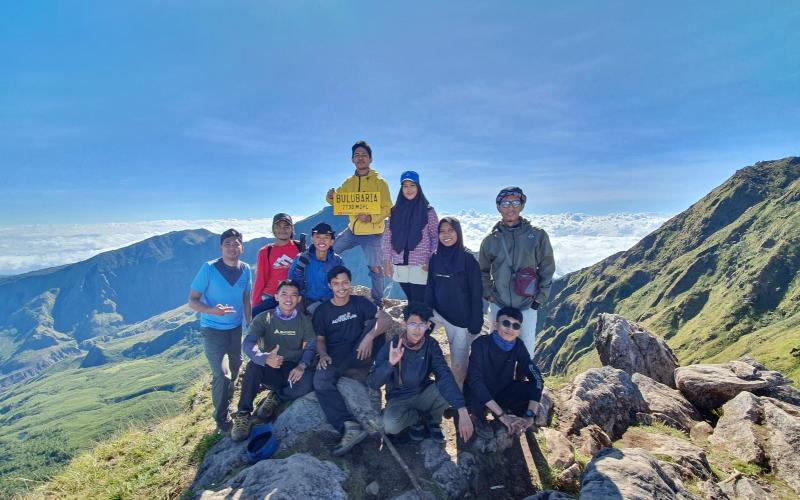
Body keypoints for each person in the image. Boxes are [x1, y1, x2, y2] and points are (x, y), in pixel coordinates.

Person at [312, 265, 391, 456]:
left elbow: (386, 319)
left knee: (377, 326)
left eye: (345, 282)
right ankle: (348, 425)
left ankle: (377, 386)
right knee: (320, 381)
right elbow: (320, 339)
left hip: (361, 351)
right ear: (330, 286)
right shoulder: (323, 311)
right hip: (337, 357)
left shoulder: (359, 302)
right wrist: (322, 355)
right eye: (336, 283)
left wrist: (369, 337)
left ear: (350, 283)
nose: (341, 287)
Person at [368, 302, 474, 443]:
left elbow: (443, 374)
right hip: (399, 398)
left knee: (448, 384)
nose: (417, 329)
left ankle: (433, 420)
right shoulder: (392, 346)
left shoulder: (431, 345)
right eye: (412, 324)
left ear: (428, 326)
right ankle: (416, 418)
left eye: (421, 325)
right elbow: (373, 383)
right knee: (390, 426)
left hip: (424, 393)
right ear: (404, 325)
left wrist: (461, 409)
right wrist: (390, 364)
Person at [231, 279, 316, 441]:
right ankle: (243, 414)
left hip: (291, 369)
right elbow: (249, 343)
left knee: (310, 382)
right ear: (276, 297)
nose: (288, 299)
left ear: (299, 299)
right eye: (284, 294)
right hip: (269, 367)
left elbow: (310, 347)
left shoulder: (304, 322)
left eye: (293, 295)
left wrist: (302, 366)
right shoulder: (264, 318)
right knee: (253, 366)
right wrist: (263, 357)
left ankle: (277, 396)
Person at [188, 228, 252, 433]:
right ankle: (221, 418)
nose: (232, 247)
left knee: (234, 372)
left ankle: (226, 403)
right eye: (228, 244)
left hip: (235, 330)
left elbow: (246, 298)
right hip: (213, 330)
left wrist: (250, 323)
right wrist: (211, 311)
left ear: (242, 247)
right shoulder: (208, 268)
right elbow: (192, 300)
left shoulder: (246, 269)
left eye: (236, 243)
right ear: (221, 247)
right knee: (222, 375)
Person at [478, 186, 555, 355]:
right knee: (495, 347)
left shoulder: (537, 235)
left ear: (522, 205)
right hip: (499, 303)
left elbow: (547, 267)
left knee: (526, 349)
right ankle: (496, 380)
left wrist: (539, 299)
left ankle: (523, 380)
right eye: (505, 203)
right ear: (498, 207)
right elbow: (482, 270)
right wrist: (488, 294)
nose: (510, 207)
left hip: (527, 304)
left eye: (515, 202)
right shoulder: (491, 240)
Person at [326, 140, 392, 307]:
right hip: (353, 230)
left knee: (375, 267)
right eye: (357, 155)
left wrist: (371, 218)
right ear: (352, 160)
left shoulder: (380, 182)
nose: (360, 158)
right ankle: (327, 293)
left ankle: (378, 303)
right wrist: (331, 197)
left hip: (373, 233)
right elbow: (338, 203)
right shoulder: (348, 183)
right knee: (328, 252)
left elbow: (387, 208)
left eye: (364, 155)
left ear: (370, 159)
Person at [464, 306, 544, 436]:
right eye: (506, 323)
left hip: (503, 390)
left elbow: (537, 378)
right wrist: (501, 415)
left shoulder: (518, 345)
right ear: (496, 325)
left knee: (532, 388)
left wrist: (530, 414)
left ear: (519, 331)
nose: (510, 329)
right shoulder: (480, 344)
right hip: (480, 392)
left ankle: (520, 419)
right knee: (475, 407)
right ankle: (481, 414)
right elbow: (475, 381)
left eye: (515, 326)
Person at [424, 217, 484, 388]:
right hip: (438, 313)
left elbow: (476, 293)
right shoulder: (435, 258)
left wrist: (476, 322)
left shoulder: (468, 260)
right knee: (415, 335)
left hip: (460, 319)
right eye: (442, 231)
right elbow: (431, 287)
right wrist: (425, 315)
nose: (446, 235)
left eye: (451, 230)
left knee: (458, 366)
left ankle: (458, 400)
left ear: (458, 232)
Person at [381, 170, 438, 304]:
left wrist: (431, 258)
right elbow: (388, 237)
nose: (409, 189)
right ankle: (414, 321)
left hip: (421, 263)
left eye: (412, 185)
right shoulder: (395, 211)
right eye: (405, 186)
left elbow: (435, 237)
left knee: (419, 299)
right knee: (411, 298)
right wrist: (387, 261)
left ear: (418, 187)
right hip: (400, 262)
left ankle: (419, 321)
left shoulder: (428, 211)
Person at [251, 213, 304, 318]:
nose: (282, 230)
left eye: (286, 227)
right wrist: (255, 305)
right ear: (273, 229)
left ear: (292, 229)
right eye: (278, 227)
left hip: (293, 298)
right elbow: (260, 279)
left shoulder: (300, 247)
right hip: (271, 296)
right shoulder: (266, 251)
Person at [288, 222, 343, 314]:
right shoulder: (300, 258)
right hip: (303, 301)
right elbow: (293, 286)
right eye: (318, 237)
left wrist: (322, 302)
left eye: (326, 237)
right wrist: (299, 269)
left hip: (328, 302)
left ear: (332, 241)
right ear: (312, 239)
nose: (321, 241)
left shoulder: (337, 261)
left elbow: (341, 287)